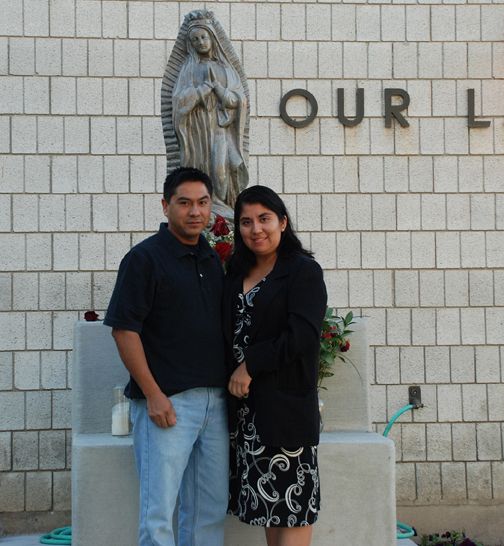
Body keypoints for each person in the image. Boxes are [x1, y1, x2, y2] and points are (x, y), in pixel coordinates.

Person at [103, 167, 229, 546]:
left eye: (203, 203)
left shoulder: (211, 259)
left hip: (215, 403)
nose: (195, 211)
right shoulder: (144, 259)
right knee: (158, 512)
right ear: (165, 206)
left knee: (209, 509)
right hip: (168, 404)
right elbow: (124, 330)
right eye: (184, 203)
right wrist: (153, 393)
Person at [224, 186, 328, 546]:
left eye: (264, 219)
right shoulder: (235, 273)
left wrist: (249, 366)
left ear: (283, 222)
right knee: (271, 509)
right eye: (246, 222)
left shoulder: (303, 271)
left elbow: (303, 336)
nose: (256, 229)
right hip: (248, 414)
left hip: (286, 409)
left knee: (294, 507)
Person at [172, 10, 248, 208]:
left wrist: (220, 91)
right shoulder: (188, 69)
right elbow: (179, 101)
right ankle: (205, 209)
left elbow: (238, 100)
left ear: (212, 38)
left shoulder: (226, 69)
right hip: (197, 131)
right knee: (200, 172)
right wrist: (202, 90)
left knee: (221, 171)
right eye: (195, 39)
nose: (200, 42)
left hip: (220, 129)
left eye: (203, 37)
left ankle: (222, 209)